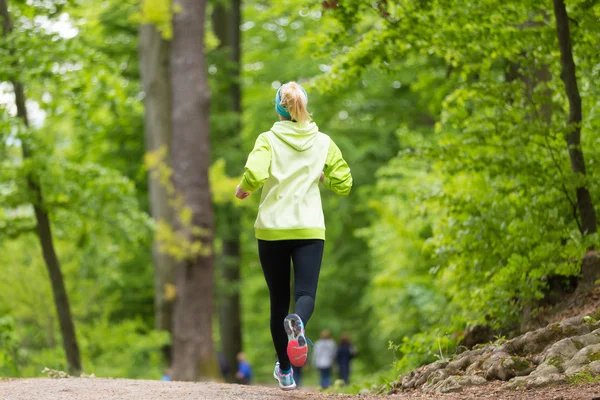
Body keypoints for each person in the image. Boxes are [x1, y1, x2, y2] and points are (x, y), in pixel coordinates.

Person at [235, 81, 352, 391]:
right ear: (304, 105)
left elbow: (255, 174)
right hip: (309, 229)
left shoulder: (267, 139)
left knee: (278, 300)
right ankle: (298, 321)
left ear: (279, 109)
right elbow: (344, 183)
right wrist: (323, 176)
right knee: (305, 294)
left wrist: (244, 187)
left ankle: (285, 372)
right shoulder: (324, 142)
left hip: (272, 230)